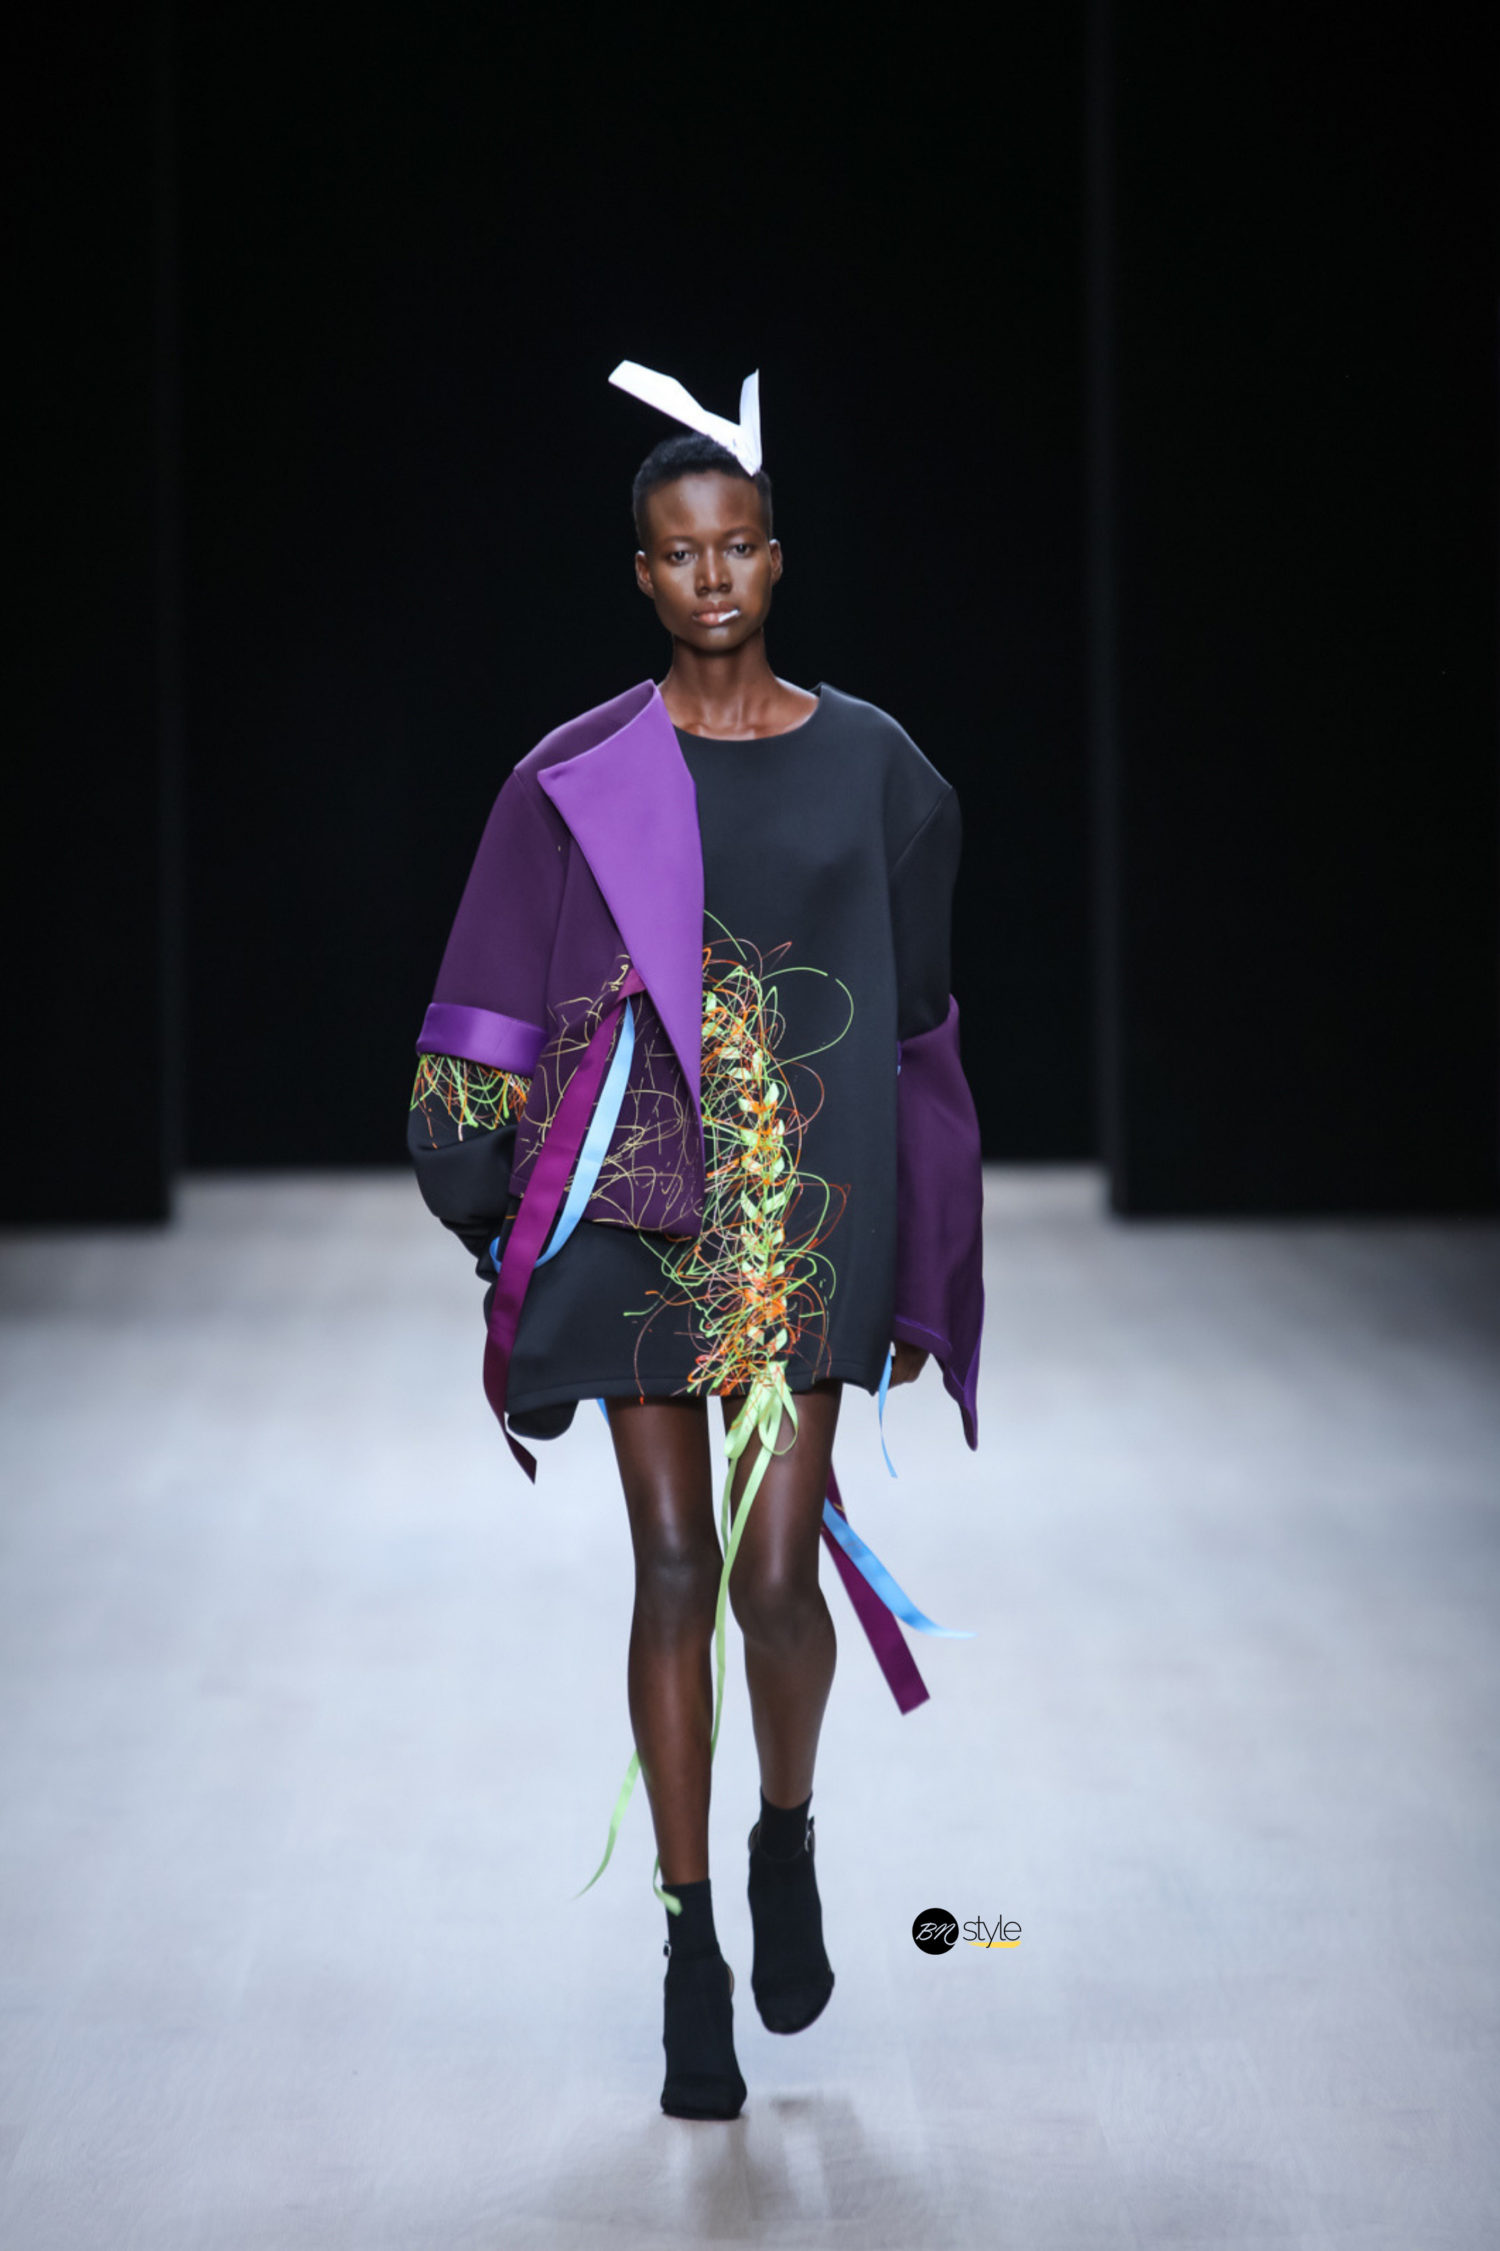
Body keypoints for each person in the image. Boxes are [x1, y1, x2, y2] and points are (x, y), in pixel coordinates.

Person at [407, 364, 983, 2121]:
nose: (712, 575)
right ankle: (687, 1945)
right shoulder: (574, 776)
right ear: (642, 572)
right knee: (673, 1565)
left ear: (777, 557)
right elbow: (489, 997)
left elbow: (919, 1035)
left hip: (808, 1220)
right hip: (639, 1205)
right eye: (679, 551)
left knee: (775, 1574)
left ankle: (784, 1834)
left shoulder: (880, 769)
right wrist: (482, 1199)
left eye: (737, 544)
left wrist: (927, 1269)